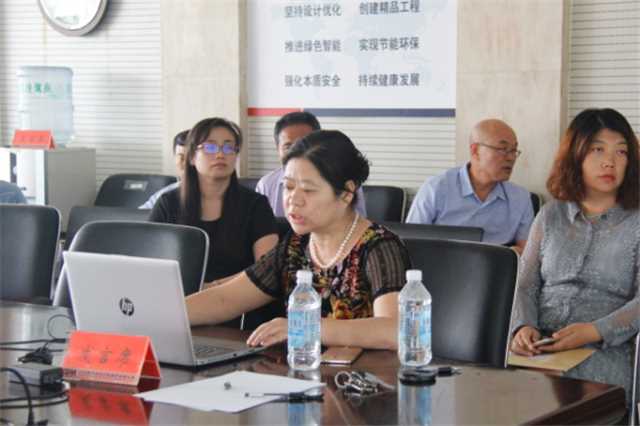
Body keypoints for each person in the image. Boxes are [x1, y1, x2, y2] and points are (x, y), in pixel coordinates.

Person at [186, 130, 411, 349]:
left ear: (346, 193)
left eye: (308, 190)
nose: (293, 200)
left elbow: (393, 330)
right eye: (289, 187)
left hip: (363, 372)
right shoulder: (295, 246)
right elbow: (226, 299)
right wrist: (169, 313)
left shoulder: (380, 245)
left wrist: (303, 327)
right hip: (301, 367)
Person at [510, 108, 639, 402]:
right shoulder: (550, 215)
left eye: (621, 152)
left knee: (567, 406)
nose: (610, 161)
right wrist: (523, 326)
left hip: (605, 350)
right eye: (597, 149)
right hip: (540, 344)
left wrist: (594, 331)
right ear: (575, 155)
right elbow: (526, 284)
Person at [150, 118, 279, 328]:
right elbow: (151, 265)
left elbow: (267, 269)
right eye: (210, 147)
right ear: (192, 157)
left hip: (241, 309)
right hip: (177, 306)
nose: (220, 154)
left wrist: (214, 287)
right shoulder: (168, 203)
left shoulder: (255, 205)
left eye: (229, 147)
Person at [406, 118, 533, 253]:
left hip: (498, 265)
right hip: (441, 262)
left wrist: (514, 253)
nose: (511, 158)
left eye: (514, 150)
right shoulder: (436, 189)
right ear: (475, 151)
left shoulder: (521, 198)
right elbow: (409, 243)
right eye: (503, 149)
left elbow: (528, 253)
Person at [255, 111, 367, 217]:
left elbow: (356, 223)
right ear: (277, 149)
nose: (297, 152)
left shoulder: (343, 182)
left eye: (305, 145)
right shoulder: (266, 184)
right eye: (288, 147)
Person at [139, 130, 188, 209]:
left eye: (191, 157)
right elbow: (139, 214)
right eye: (181, 157)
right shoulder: (164, 195)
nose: (187, 163)